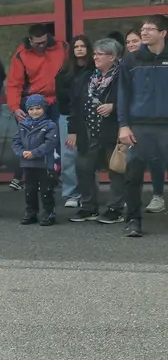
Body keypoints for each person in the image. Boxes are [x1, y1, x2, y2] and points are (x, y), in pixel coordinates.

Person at [118, 14, 168, 237]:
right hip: (139, 127)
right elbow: (123, 95)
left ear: (163, 33)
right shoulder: (131, 60)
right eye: (143, 29)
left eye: (150, 29)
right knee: (133, 177)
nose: (144, 32)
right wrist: (123, 125)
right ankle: (133, 222)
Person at [70, 37, 126, 224]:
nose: (94, 57)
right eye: (94, 54)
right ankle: (88, 207)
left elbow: (134, 101)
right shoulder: (88, 77)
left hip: (112, 131)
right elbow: (75, 104)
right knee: (83, 168)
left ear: (112, 57)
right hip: (88, 131)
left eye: (99, 54)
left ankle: (115, 208)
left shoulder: (124, 76)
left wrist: (114, 106)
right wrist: (73, 130)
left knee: (116, 170)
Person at [56, 35, 93, 206]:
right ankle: (71, 193)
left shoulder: (95, 69)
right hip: (67, 116)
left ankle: (90, 192)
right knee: (69, 156)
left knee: (90, 155)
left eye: (83, 46)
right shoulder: (64, 72)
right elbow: (62, 96)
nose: (79, 49)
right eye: (76, 46)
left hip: (91, 116)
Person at [13, 95, 60, 225]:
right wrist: (21, 152)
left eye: (38, 108)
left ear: (44, 109)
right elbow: (16, 142)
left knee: (46, 190)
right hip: (28, 163)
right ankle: (31, 213)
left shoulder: (50, 125)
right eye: (31, 109)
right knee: (30, 190)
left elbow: (50, 143)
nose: (35, 112)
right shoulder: (22, 125)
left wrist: (34, 153)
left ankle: (49, 214)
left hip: (44, 163)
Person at [6, 22, 64, 123]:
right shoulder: (22, 54)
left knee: (58, 137)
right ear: (30, 40)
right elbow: (14, 84)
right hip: (33, 102)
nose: (41, 45)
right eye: (38, 43)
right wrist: (15, 108)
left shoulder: (62, 47)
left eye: (44, 42)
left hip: (58, 100)